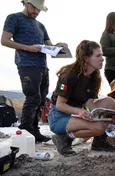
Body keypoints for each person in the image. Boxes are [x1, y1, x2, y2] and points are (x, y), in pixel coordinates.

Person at [1, 0, 68, 143]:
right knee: (32, 98)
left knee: (41, 98)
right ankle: (25, 132)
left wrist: (59, 46)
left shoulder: (40, 26)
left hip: (42, 65)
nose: (36, 11)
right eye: (34, 7)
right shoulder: (14, 18)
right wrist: (27, 47)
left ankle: (35, 131)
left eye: (39, 9)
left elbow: (49, 46)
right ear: (25, 3)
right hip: (26, 64)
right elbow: (5, 40)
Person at [48, 40, 115, 156]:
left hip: (77, 114)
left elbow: (89, 104)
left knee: (110, 102)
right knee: (98, 127)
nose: (102, 59)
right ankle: (63, 138)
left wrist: (106, 116)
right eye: (98, 56)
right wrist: (80, 111)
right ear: (86, 58)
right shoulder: (69, 75)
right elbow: (60, 105)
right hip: (59, 116)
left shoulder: (94, 76)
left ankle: (99, 142)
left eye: (101, 55)